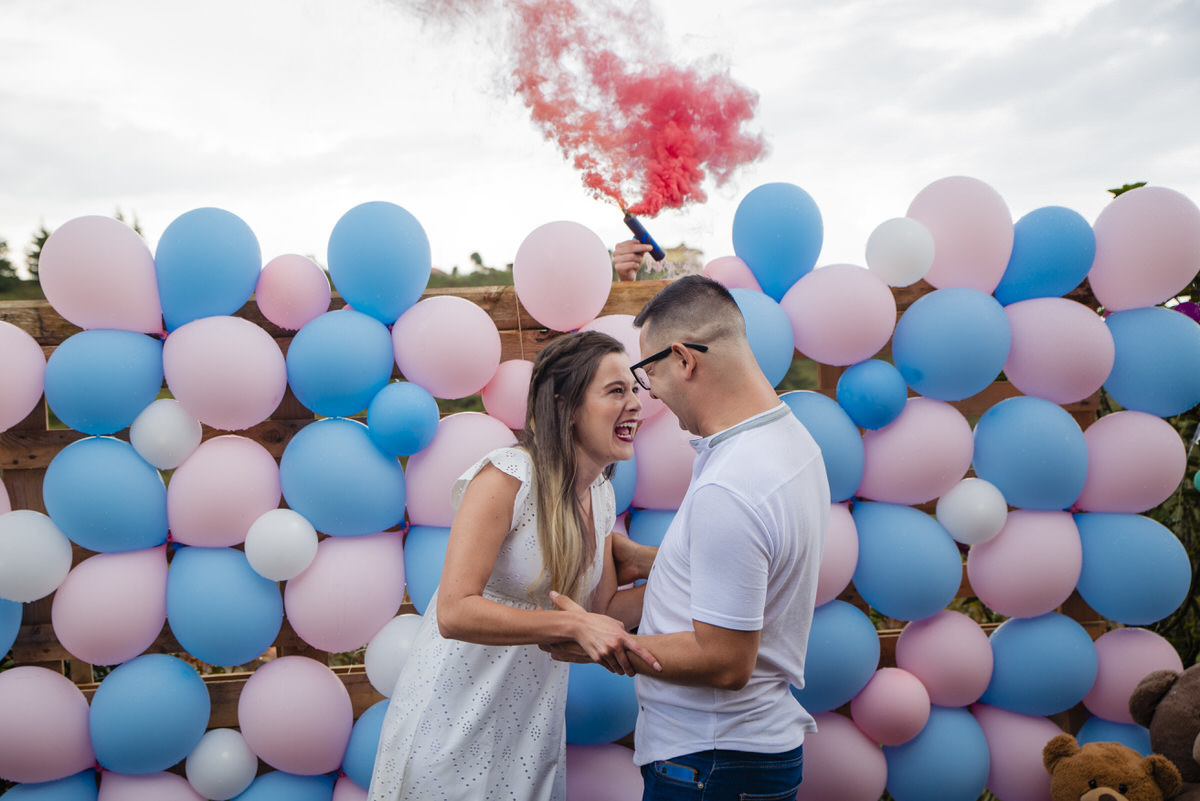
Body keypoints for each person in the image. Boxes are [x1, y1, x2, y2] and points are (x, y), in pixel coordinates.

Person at [548, 275, 830, 799]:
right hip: (746, 756)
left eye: (647, 372)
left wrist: (600, 643)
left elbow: (725, 661)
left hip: (711, 765)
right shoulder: (789, 440)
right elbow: (756, 563)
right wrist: (656, 559)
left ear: (683, 359)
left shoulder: (732, 484)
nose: (649, 392)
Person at [367, 331, 661, 801]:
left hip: (530, 720)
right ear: (565, 405)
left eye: (634, 390)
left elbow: (603, 608)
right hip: (455, 713)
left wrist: (681, 572)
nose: (636, 405)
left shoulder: (601, 495)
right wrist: (572, 623)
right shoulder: (508, 476)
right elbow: (454, 610)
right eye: (615, 391)